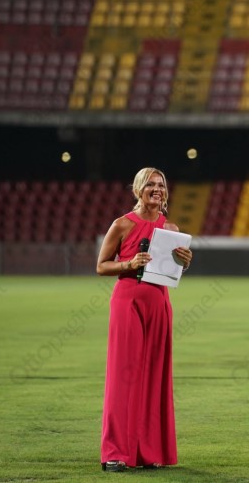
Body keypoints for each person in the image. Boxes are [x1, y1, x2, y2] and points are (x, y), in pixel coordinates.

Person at [95, 167, 193, 472]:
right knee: (123, 376)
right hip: (128, 302)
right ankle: (115, 452)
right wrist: (129, 263)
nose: (157, 189)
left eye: (161, 185)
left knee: (155, 376)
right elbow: (101, 266)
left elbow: (170, 269)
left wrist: (184, 263)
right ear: (138, 189)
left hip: (159, 302)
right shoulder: (122, 224)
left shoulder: (171, 228)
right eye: (150, 184)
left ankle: (150, 452)